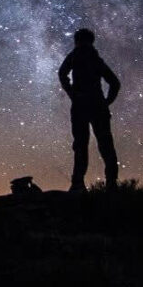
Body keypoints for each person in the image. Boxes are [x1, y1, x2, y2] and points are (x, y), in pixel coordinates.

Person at [58, 28, 120, 192]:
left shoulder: (76, 55)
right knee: (105, 143)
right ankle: (111, 182)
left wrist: (72, 93)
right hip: (96, 104)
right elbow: (115, 83)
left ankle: (78, 183)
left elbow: (62, 73)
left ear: (77, 40)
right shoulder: (96, 59)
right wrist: (106, 102)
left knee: (81, 144)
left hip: (81, 105)